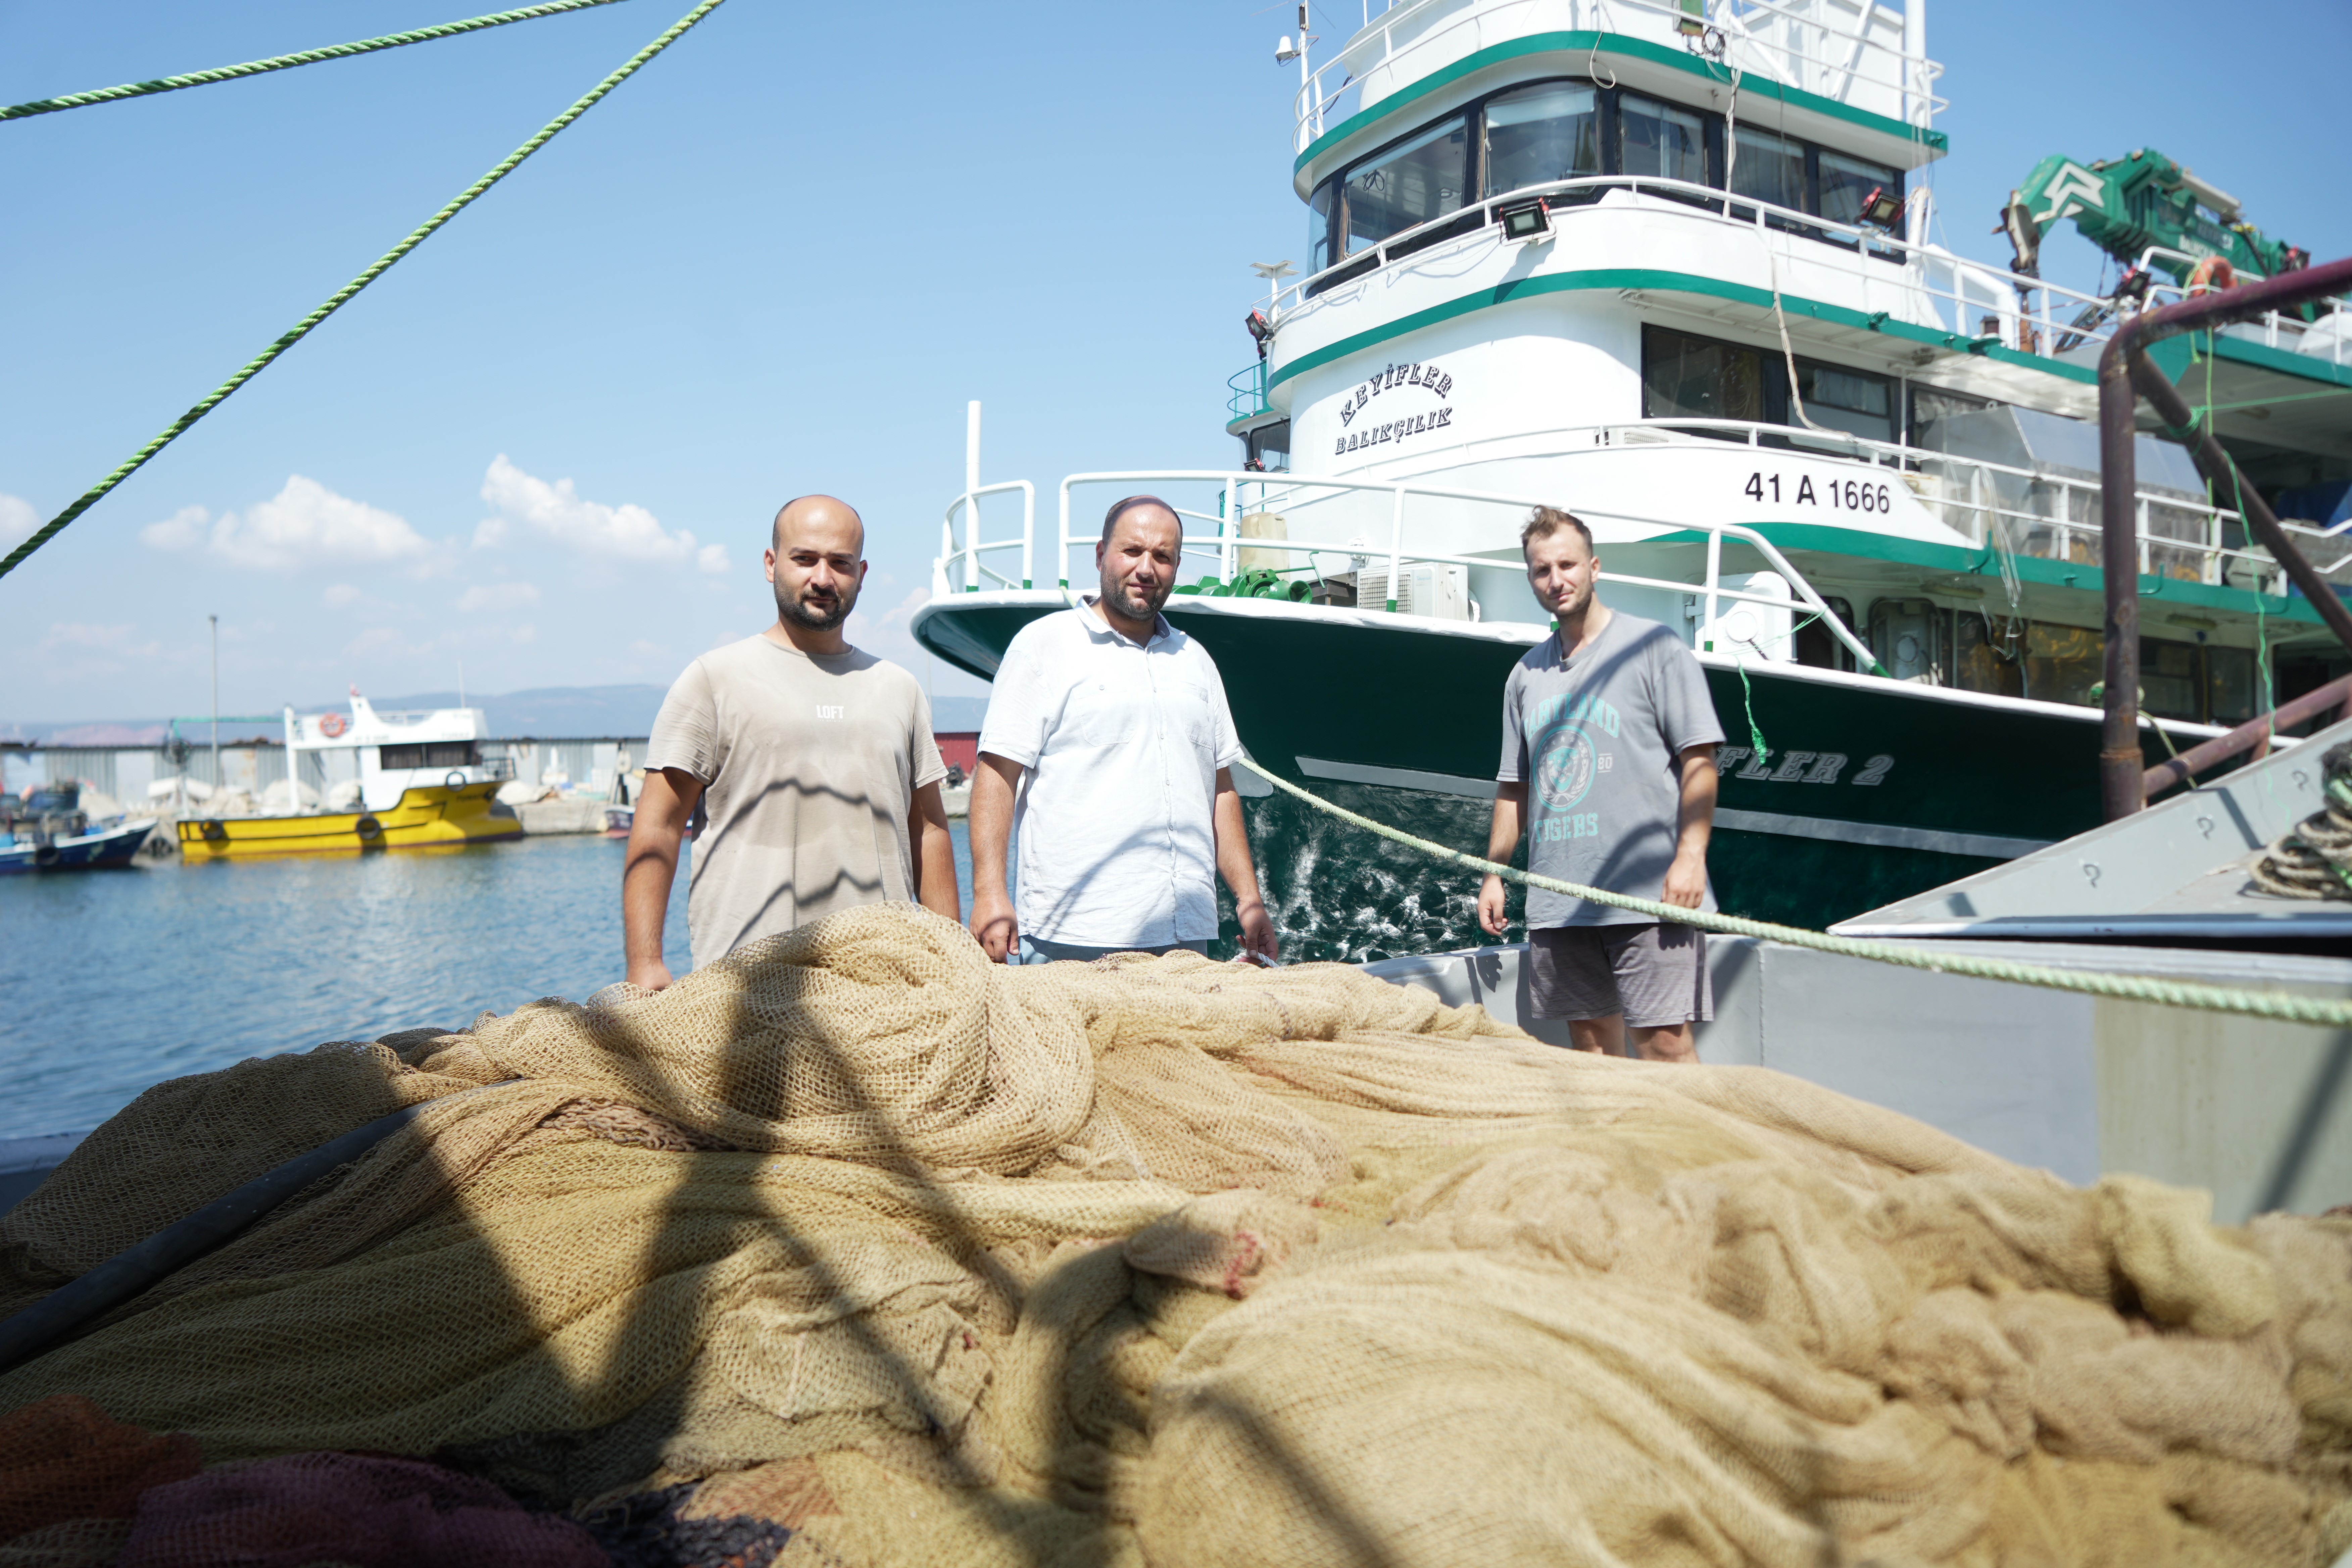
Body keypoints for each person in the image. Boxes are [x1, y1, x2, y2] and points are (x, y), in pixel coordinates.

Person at [623, 494, 958, 989]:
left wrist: (951, 959)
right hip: (743, 988)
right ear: (771, 563)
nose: (822, 578)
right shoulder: (713, 679)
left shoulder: (899, 688)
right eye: (805, 559)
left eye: (840, 563)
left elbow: (928, 831)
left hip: (886, 981)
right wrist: (645, 961)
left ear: (861, 573)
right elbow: (659, 827)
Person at [968, 495, 1279, 965]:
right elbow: (996, 775)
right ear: (1100, 555)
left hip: (1185, 935)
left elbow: (1219, 790)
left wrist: (1249, 900)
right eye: (1132, 551)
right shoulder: (1043, 646)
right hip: (1072, 934)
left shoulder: (1195, 660)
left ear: (1176, 567)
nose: (1146, 568)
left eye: (1163, 556)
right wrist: (990, 894)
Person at [1477, 506, 1723, 1062]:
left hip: (1649, 896)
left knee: (1665, 1047)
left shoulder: (1655, 649)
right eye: (1542, 570)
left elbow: (1700, 761)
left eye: (1567, 565)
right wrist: (1495, 874)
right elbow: (1514, 789)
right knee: (1591, 1053)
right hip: (1559, 903)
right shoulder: (1525, 676)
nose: (1556, 580)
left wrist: (1691, 858)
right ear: (1531, 578)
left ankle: (1697, 1153)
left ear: (1594, 567)